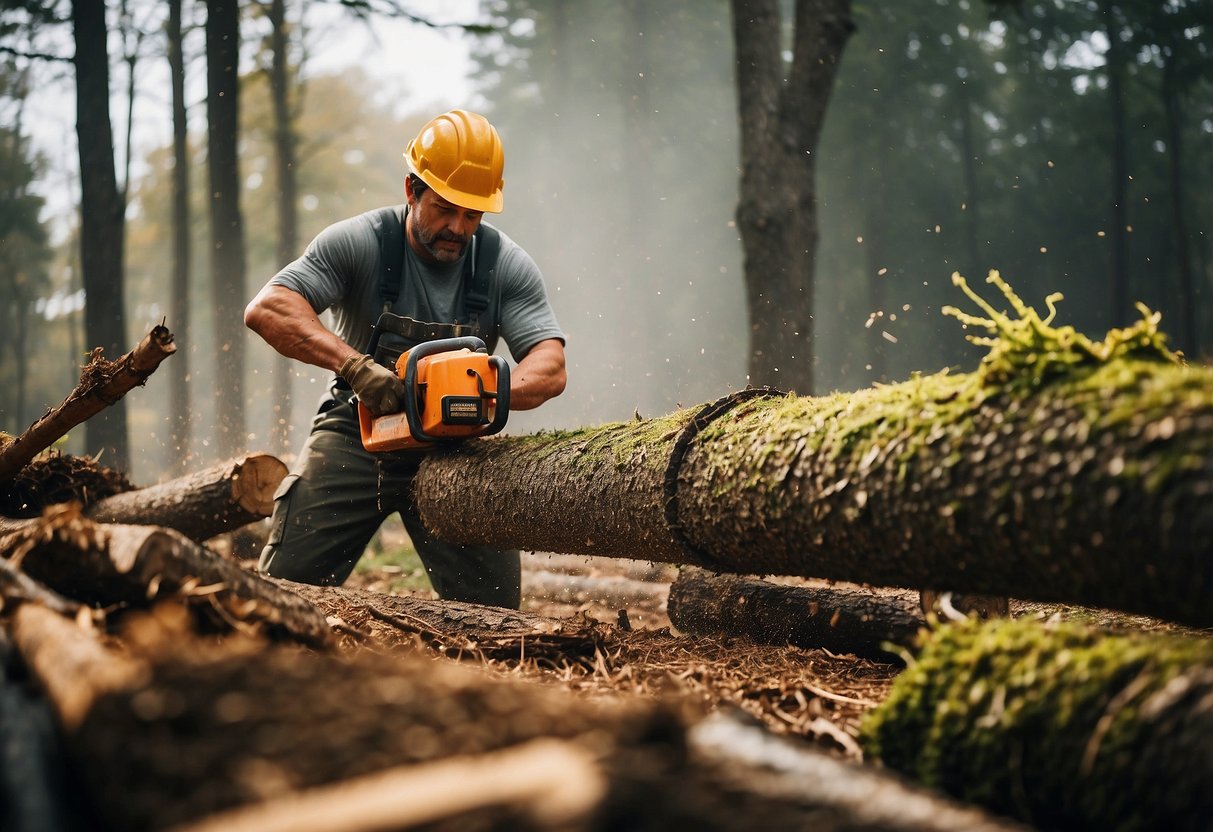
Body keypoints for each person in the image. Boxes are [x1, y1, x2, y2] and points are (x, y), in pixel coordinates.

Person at [244, 109, 566, 608]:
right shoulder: (360, 243)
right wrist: (354, 367)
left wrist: (490, 392)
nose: (458, 228)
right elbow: (269, 308)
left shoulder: (505, 266)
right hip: (358, 436)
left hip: (459, 451)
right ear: (412, 190)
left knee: (495, 615)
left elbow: (550, 364)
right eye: (445, 208)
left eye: (473, 214)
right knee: (281, 595)